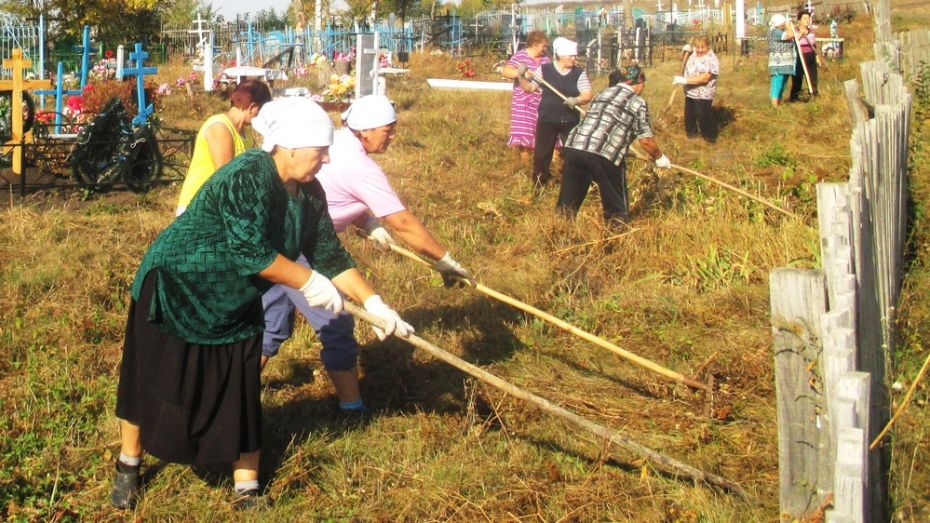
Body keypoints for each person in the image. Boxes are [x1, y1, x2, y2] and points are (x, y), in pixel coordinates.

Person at [111, 98, 412, 510]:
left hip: (233, 299)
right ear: (289, 146)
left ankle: (246, 489)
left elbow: (328, 252)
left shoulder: (309, 192)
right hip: (177, 286)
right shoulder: (247, 173)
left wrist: (374, 301)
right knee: (150, 381)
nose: (326, 159)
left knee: (240, 387)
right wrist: (308, 281)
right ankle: (128, 466)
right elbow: (250, 253)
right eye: (320, 151)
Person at [261, 95, 473, 417]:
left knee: (272, 324)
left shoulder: (338, 146)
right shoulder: (356, 164)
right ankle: (353, 410)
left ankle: (235, 389)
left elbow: (337, 196)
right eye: (387, 130)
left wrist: (366, 221)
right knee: (337, 324)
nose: (391, 137)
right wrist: (442, 260)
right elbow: (403, 222)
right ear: (366, 130)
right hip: (297, 250)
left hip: (288, 244)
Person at [555, 66, 672, 226]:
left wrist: (623, 147)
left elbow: (598, 124)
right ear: (639, 82)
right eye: (643, 85)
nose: (642, 89)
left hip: (575, 146)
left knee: (568, 200)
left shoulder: (603, 93)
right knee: (615, 204)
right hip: (604, 154)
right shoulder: (637, 102)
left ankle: (560, 232)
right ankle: (615, 238)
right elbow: (646, 141)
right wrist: (659, 157)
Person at [175, 79, 272, 216]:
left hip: (219, 207)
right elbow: (225, 177)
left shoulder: (246, 131)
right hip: (197, 208)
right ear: (252, 107)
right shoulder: (220, 128)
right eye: (262, 110)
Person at [522, 36, 594, 186]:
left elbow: (587, 94)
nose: (574, 59)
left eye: (575, 55)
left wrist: (577, 100)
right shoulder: (544, 70)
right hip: (547, 118)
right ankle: (539, 185)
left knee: (573, 154)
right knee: (542, 155)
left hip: (570, 120)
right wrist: (521, 76)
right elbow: (530, 88)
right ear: (560, 55)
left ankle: (573, 184)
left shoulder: (578, 73)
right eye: (571, 56)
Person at [501, 30, 551, 161]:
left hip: (541, 101)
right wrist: (521, 73)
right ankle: (525, 164)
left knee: (541, 132)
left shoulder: (546, 58)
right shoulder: (520, 57)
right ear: (534, 44)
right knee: (524, 132)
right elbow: (506, 71)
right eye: (543, 46)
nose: (545, 49)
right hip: (523, 101)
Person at [673, 35, 720, 143]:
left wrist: (684, 81)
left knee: (703, 116)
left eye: (702, 47)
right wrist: (684, 51)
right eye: (697, 47)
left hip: (703, 94)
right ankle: (692, 137)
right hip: (690, 92)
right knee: (689, 117)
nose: (699, 50)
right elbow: (682, 59)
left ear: (708, 46)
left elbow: (705, 78)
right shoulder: (693, 52)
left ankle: (710, 139)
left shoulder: (711, 59)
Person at [789, 9, 821, 102]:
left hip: (810, 56)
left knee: (813, 77)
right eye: (804, 18)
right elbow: (793, 41)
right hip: (799, 57)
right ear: (799, 20)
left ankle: (814, 95)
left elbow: (814, 45)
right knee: (798, 78)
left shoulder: (811, 31)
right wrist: (801, 33)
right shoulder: (795, 30)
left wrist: (817, 57)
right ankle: (794, 98)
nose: (807, 20)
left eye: (808, 18)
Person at [767, 13, 798, 107]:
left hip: (785, 64)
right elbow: (789, 35)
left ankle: (778, 105)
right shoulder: (774, 32)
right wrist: (789, 26)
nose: (784, 24)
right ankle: (774, 107)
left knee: (781, 87)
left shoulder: (780, 31)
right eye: (783, 23)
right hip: (778, 64)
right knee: (777, 86)